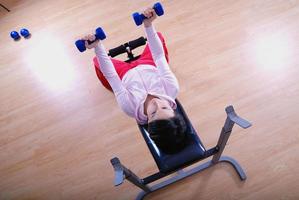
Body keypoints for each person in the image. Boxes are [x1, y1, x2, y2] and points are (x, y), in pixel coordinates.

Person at [82, 8, 188, 154]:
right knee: (157, 36)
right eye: (164, 108)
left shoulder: (129, 107)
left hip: (123, 74)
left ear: (147, 122)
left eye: (153, 113)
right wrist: (148, 25)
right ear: (173, 109)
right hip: (149, 63)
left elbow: (112, 77)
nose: (157, 104)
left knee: (97, 61)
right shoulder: (172, 89)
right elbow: (158, 56)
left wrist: (97, 47)